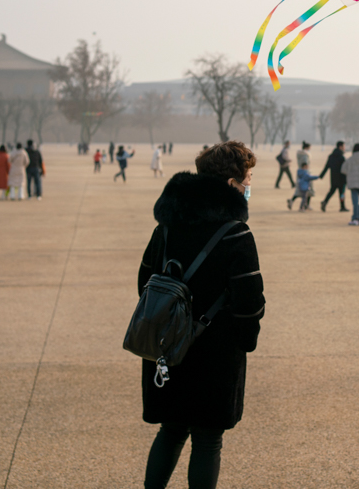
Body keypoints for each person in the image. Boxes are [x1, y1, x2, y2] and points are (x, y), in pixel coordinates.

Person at [137, 140, 265, 489]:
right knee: (208, 440)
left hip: (167, 344)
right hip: (216, 351)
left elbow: (144, 281)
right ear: (230, 184)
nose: (249, 185)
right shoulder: (235, 232)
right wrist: (245, 340)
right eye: (248, 178)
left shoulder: (165, 227)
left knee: (171, 430)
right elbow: (249, 298)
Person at [318, 140, 348, 213]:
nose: (345, 148)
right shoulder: (342, 157)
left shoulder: (331, 156)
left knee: (331, 191)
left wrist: (321, 175)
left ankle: (325, 202)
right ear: (340, 147)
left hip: (333, 177)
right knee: (342, 193)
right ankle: (342, 206)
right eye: (344, 146)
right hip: (342, 178)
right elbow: (345, 169)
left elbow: (327, 166)